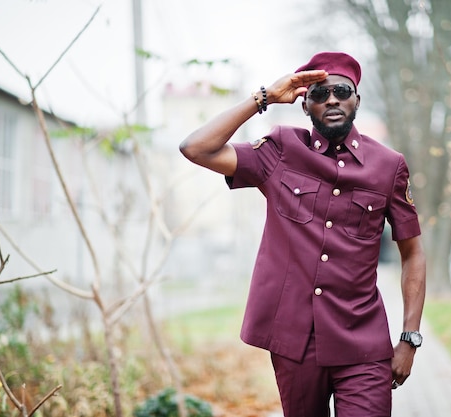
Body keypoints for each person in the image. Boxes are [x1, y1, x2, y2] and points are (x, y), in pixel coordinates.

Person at [179, 51, 426, 417]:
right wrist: (263, 98)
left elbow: (413, 253)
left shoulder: (389, 167)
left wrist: (409, 338)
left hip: (363, 341)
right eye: (318, 94)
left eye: (342, 91)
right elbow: (195, 148)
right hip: (294, 341)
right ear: (304, 105)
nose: (332, 100)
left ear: (357, 98)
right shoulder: (280, 151)